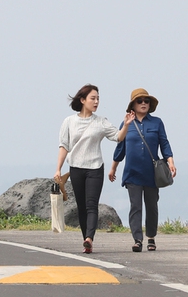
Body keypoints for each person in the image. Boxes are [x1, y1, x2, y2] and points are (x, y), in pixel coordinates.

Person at [55, 84, 134, 254]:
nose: (96, 101)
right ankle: (86, 240)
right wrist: (58, 169)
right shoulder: (69, 122)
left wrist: (126, 125)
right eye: (93, 98)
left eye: (98, 98)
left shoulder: (101, 122)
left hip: (95, 168)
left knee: (91, 205)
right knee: (81, 206)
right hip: (76, 168)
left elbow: (118, 137)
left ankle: (89, 238)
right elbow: (64, 146)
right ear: (83, 100)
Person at [108, 88, 176, 252]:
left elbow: (164, 144)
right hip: (132, 172)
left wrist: (171, 162)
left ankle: (151, 237)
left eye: (146, 101)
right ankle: (137, 239)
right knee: (135, 206)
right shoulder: (126, 124)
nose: (143, 103)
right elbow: (120, 148)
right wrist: (113, 169)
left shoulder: (157, 122)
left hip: (152, 174)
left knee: (151, 206)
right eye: (140, 101)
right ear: (133, 104)